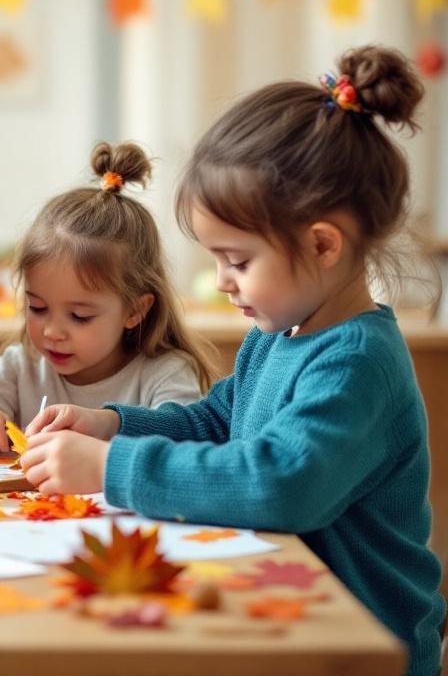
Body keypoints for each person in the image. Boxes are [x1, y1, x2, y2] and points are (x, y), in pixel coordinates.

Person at [23, 46, 445, 676]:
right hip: (281, 618)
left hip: (358, 644)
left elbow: (280, 484)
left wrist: (112, 465)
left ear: (321, 244)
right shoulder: (281, 333)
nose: (222, 281)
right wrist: (113, 423)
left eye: (238, 261)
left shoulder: (357, 363)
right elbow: (217, 422)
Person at [0, 142, 214, 452]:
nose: (52, 331)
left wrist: (107, 425)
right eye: (37, 308)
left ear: (135, 310)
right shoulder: (18, 367)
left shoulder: (164, 373)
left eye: (79, 316)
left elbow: (187, 440)